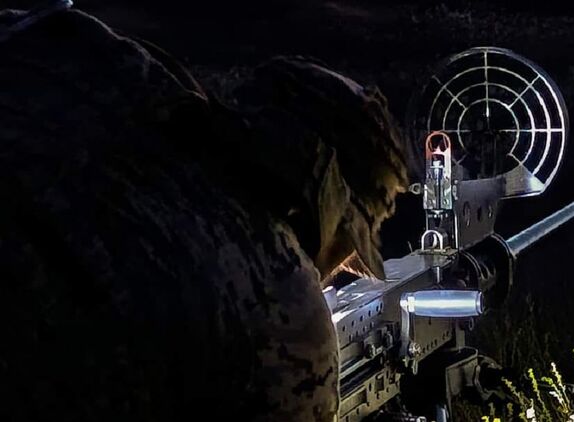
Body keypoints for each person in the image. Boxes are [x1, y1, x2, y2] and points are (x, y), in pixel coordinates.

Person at [0, 5, 407, 421]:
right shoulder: (282, 315)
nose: (327, 275)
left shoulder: (94, 68)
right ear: (328, 205)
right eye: (342, 250)